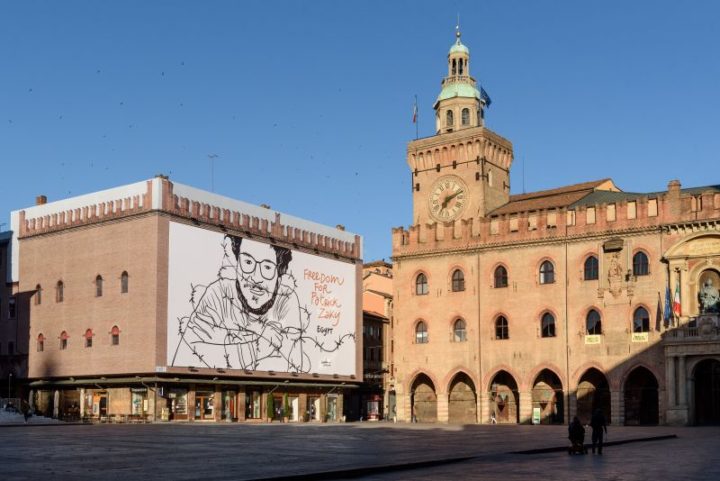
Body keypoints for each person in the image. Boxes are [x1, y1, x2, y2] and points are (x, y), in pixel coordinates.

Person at [171, 235, 308, 372]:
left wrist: (224, 341)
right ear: (237, 265)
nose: (256, 277)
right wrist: (257, 344)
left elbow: (291, 367)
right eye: (248, 262)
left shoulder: (286, 300)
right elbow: (187, 354)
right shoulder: (218, 294)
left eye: (267, 267)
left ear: (279, 277)